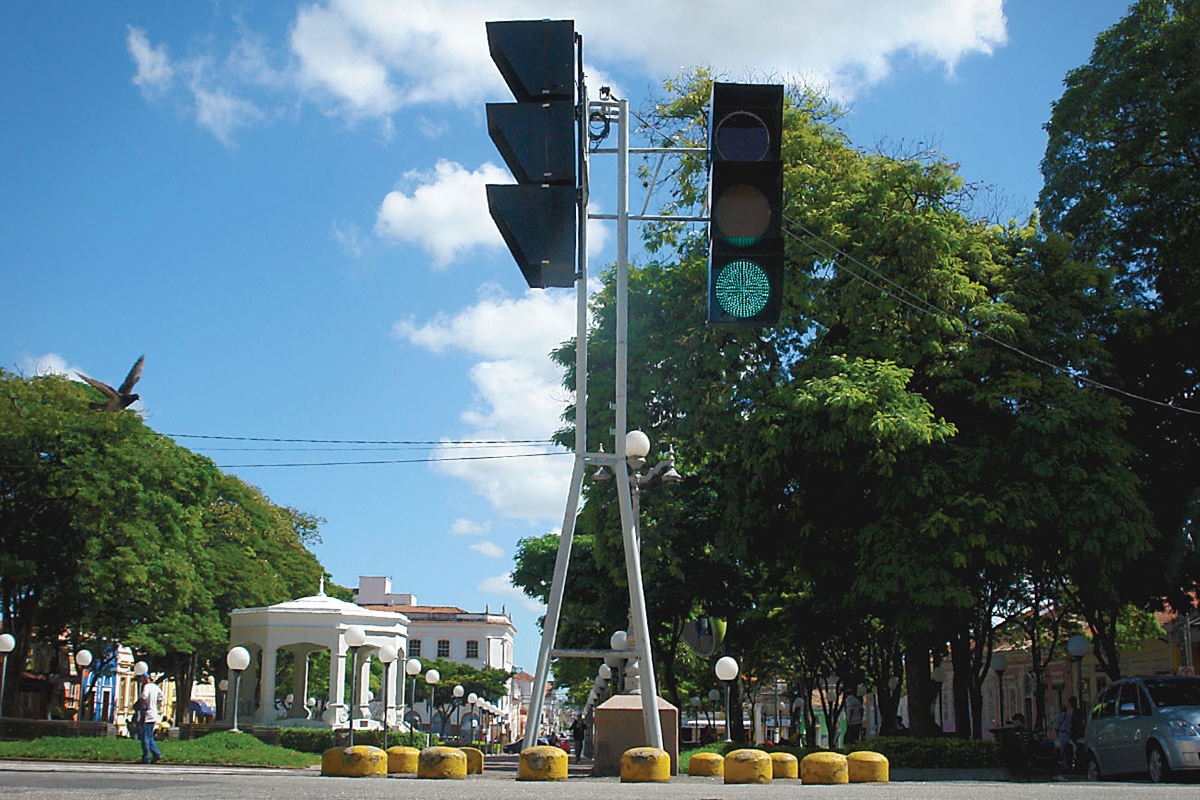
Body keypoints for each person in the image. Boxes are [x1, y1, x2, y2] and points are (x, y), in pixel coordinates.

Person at [137, 673, 163, 764]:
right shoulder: (156, 687)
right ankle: (157, 753)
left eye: (142, 680)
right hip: (154, 713)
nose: (141, 682)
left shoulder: (146, 687)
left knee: (145, 736)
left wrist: (142, 705)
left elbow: (143, 698)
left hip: (147, 714)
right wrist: (156, 705)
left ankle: (146, 757)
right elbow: (161, 697)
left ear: (145, 679)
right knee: (149, 735)